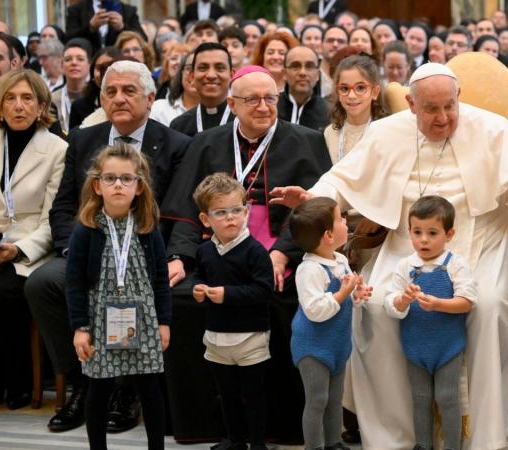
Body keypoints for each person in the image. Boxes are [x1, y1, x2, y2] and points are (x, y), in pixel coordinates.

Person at [269, 62, 508, 450]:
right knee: (376, 310)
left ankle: (484, 438)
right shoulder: (386, 132)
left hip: (484, 235)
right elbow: (343, 179)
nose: (443, 118)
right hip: (409, 241)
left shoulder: (492, 128)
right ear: (410, 104)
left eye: (450, 107)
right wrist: (315, 198)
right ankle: (395, 438)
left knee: (485, 309)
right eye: (431, 109)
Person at [159, 65, 331, 442]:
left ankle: (280, 426)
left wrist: (284, 254)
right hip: (214, 254)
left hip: (279, 249)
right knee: (182, 299)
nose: (263, 106)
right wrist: (180, 257)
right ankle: (207, 425)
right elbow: (187, 212)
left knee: (283, 299)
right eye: (252, 99)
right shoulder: (207, 143)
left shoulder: (306, 140)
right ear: (232, 104)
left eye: (270, 98)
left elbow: (313, 210)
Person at [26, 60, 189, 433]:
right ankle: (84, 380)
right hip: (88, 246)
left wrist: (172, 255)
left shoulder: (176, 144)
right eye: (110, 91)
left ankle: (126, 389)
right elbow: (65, 204)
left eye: (129, 91)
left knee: (139, 290)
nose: (119, 98)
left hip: (146, 252)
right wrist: (72, 249)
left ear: (150, 98)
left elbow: (179, 210)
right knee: (42, 283)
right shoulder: (84, 139)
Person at [66, 143, 170, 450]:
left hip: (145, 318)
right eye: (110, 178)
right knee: (98, 390)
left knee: (150, 390)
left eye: (127, 178)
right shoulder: (85, 230)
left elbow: (161, 280)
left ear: (139, 186)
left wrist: (164, 322)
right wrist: (80, 327)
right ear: (97, 185)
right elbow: (73, 283)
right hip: (100, 318)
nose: (118, 185)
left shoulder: (148, 228)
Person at [0, 69, 67, 410]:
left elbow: (52, 217)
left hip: (31, 243)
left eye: (27, 98)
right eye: (10, 99)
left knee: (0, 294)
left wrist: (19, 249)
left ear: (41, 105)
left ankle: (18, 383)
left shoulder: (57, 149)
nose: (18, 106)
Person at [384, 195, 477, 450]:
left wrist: (438, 304)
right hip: (415, 347)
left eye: (432, 233)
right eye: (417, 232)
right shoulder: (405, 266)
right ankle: (422, 445)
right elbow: (390, 303)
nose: (423, 240)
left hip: (447, 347)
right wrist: (402, 301)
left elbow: (467, 301)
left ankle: (452, 446)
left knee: (447, 398)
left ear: (449, 234)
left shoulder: (455, 265)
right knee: (420, 398)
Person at [191, 173, 274, 450]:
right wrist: (198, 289)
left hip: (250, 337)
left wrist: (226, 294)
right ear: (206, 219)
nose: (231, 218)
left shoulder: (256, 252)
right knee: (226, 394)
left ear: (246, 211)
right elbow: (198, 276)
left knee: (254, 395)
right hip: (216, 337)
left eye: (237, 210)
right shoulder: (204, 251)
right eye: (221, 212)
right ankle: (235, 440)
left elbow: (263, 292)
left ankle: (258, 443)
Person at [289, 196, 372, 450]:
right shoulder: (309, 270)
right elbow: (315, 310)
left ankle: (333, 441)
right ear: (327, 234)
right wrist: (343, 294)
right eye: (340, 218)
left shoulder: (340, 260)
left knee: (335, 398)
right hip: (313, 347)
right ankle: (313, 446)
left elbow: (345, 300)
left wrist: (357, 296)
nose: (345, 221)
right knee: (317, 400)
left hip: (336, 344)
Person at [169, 42, 235, 136]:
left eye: (219, 68)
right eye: (203, 68)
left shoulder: (244, 121)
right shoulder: (179, 126)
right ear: (192, 76)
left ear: (231, 76)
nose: (211, 75)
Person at [65, 0, 146, 55]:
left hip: (119, 63)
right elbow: (69, 40)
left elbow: (143, 40)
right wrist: (90, 27)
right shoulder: (76, 10)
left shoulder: (128, 11)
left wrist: (122, 27)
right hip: (89, 64)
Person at [68, 47, 121, 129]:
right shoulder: (78, 106)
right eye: (99, 68)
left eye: (109, 67)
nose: (103, 73)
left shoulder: (123, 103)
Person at [278, 46, 329, 131]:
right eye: (295, 66)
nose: (302, 72)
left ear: (317, 75)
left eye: (309, 66)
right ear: (284, 73)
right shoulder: (271, 107)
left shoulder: (330, 111)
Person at [51, 38, 92, 137]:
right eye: (68, 59)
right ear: (62, 65)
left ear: (89, 65)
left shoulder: (95, 98)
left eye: (80, 59)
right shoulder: (52, 100)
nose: (74, 63)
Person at [150, 53, 199, 126]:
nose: (194, 75)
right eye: (189, 68)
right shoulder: (158, 109)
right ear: (180, 73)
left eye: (201, 69)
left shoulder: (218, 112)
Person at [319, 26, 348, 98]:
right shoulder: (312, 73)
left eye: (341, 41)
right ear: (321, 45)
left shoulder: (354, 75)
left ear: (348, 46)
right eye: (330, 40)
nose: (335, 45)